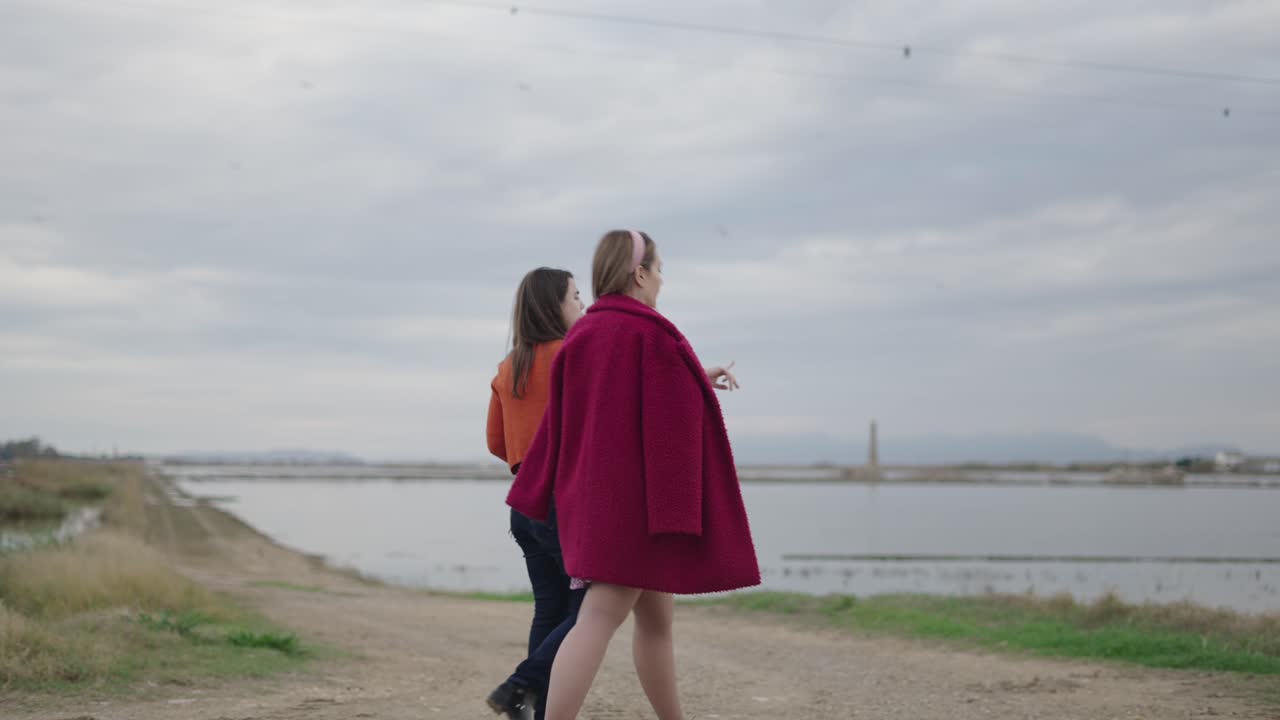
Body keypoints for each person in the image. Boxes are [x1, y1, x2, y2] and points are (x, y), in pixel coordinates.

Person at [507, 230, 760, 720]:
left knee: (655, 621)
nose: (662, 280)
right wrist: (681, 516)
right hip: (641, 511)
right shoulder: (652, 334)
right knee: (599, 619)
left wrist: (693, 376)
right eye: (660, 269)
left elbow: (582, 417)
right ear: (640, 273)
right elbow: (671, 428)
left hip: (594, 502)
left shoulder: (583, 335)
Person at [485, 267, 586, 720]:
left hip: (523, 505)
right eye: (576, 298)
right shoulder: (574, 356)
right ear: (554, 307)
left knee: (549, 608)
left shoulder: (510, 366)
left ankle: (534, 709)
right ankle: (519, 685)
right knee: (591, 610)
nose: (583, 307)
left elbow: (496, 444)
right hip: (563, 503)